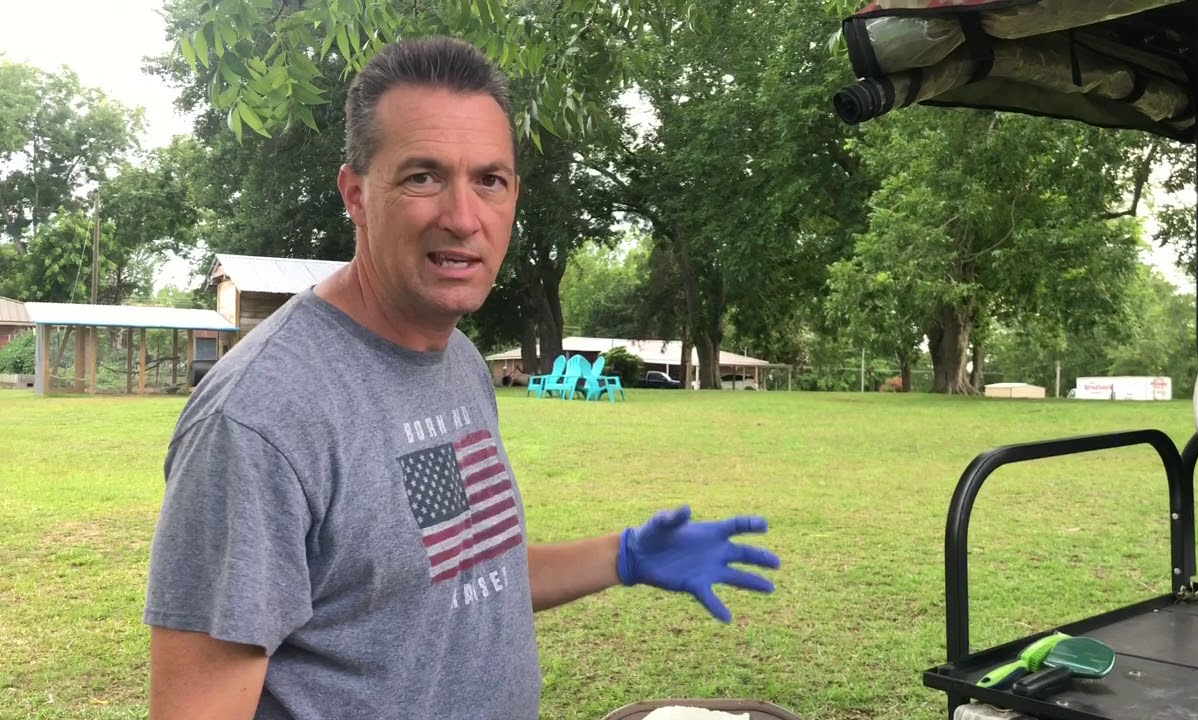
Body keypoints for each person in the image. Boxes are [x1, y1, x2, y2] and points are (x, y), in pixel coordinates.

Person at [144, 36, 780, 720]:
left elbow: (460, 575)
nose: (463, 217)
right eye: (423, 177)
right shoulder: (258, 421)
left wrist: (623, 557)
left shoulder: (460, 361)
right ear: (356, 195)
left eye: (489, 180)